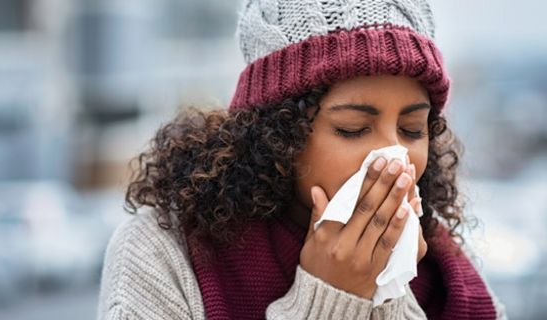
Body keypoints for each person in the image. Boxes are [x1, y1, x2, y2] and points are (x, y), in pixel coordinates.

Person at [97, 0, 508, 319]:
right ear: (277, 137)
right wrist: (333, 300)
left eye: (412, 129)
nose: (395, 157)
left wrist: (389, 291)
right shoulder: (165, 251)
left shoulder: (447, 273)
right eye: (352, 128)